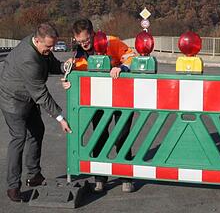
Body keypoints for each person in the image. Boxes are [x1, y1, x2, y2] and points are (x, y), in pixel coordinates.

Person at [0, 23, 72, 202]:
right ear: (37, 40)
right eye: (48, 46)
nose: (51, 49)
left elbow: (52, 64)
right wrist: (60, 118)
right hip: (13, 100)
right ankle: (13, 186)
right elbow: (41, 94)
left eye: (53, 45)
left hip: (28, 98)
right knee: (19, 137)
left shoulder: (42, 49)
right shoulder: (28, 58)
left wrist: (65, 67)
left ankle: (34, 176)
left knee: (37, 131)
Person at [62, 18, 135, 193]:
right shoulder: (78, 53)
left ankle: (126, 176)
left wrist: (122, 68)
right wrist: (68, 78)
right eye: (80, 41)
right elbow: (76, 74)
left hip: (122, 96)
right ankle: (100, 176)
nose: (84, 44)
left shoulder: (112, 41)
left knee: (121, 135)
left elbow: (132, 56)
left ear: (93, 34)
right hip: (98, 99)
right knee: (99, 135)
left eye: (86, 40)